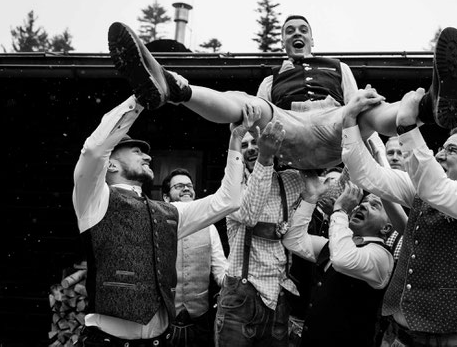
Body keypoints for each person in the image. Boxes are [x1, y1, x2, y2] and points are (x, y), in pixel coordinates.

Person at [107, 20, 457, 170]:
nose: (297, 34)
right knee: (246, 102)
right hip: (290, 134)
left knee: (368, 108)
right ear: (283, 41)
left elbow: (354, 105)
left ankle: (429, 106)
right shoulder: (272, 79)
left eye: (303, 30)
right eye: (290, 31)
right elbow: (255, 125)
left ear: (312, 39)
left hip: (335, 128)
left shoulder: (336, 66)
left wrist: (371, 147)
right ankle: (173, 87)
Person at [341, 79, 457, 344]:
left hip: (456, 341)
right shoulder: (425, 188)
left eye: (452, 149)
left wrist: (408, 126)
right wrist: (350, 121)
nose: (441, 154)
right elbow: (368, 176)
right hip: (400, 335)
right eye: (443, 148)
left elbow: (438, 191)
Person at [72, 94, 247, 346]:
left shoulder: (168, 213)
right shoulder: (93, 199)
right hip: (106, 341)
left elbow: (228, 201)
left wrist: (236, 140)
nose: (148, 156)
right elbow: (93, 150)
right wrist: (141, 99)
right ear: (110, 164)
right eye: (137, 151)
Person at [215, 121, 305, 347]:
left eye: (256, 142)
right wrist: (265, 158)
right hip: (240, 299)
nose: (251, 148)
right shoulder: (231, 187)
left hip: (278, 298)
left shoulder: (290, 180)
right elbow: (249, 214)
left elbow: (330, 191)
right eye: (244, 145)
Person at [282, 179, 394, 347]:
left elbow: (342, 260)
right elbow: (293, 240)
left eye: (374, 206)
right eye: (363, 202)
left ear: (386, 228)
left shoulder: (381, 256)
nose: (362, 206)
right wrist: (310, 199)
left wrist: (340, 210)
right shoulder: (338, 245)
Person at [161, 168, 228, 347]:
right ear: (166, 197)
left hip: (200, 321)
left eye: (189, 186)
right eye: (179, 186)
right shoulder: (157, 227)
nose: (186, 189)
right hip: (163, 321)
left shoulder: (209, 227)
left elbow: (221, 270)